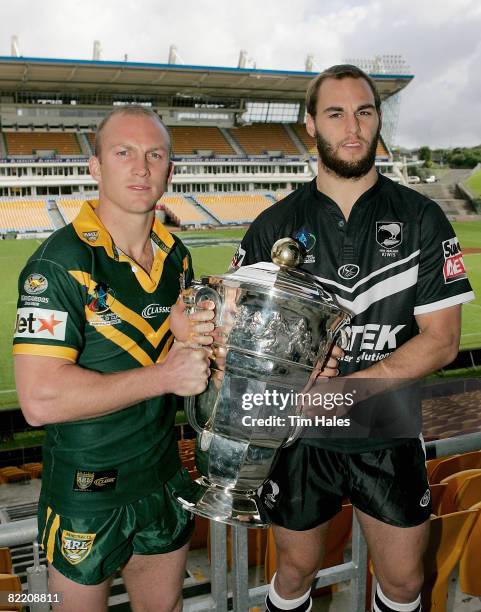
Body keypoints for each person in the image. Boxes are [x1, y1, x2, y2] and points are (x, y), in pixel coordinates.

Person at [231, 65, 474, 612]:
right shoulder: (273, 227)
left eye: (364, 112)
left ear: (377, 120)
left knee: (406, 581)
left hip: (387, 427)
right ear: (311, 125)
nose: (353, 126)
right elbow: (240, 345)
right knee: (294, 571)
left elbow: (442, 341)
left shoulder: (421, 218)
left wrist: (345, 390)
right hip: (298, 435)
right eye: (336, 113)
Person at [13, 106, 214, 612]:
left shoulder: (177, 256)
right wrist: (166, 373)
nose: (141, 167)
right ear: (96, 168)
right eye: (123, 152)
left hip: (163, 476)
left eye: (155, 155)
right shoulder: (58, 263)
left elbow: (179, 364)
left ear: (170, 169)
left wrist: (199, 344)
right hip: (87, 491)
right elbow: (39, 399)